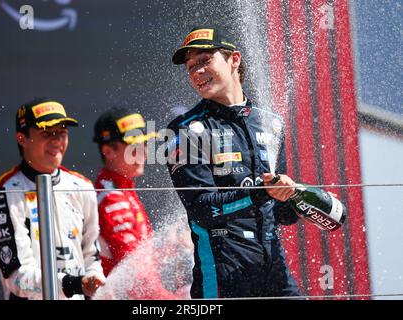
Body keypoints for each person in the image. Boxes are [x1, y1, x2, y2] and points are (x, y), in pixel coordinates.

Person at [166, 26, 302, 298]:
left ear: (234, 60)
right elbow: (201, 210)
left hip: (273, 267)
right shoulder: (183, 131)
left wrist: (299, 200)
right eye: (191, 67)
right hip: (223, 270)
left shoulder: (271, 123)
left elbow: (280, 214)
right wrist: (262, 193)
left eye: (205, 61)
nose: (197, 72)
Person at [0, 97, 105, 300]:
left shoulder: (81, 186)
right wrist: (73, 284)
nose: (56, 141)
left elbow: (92, 255)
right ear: (22, 138)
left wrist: (93, 278)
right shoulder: (2, 193)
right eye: (47, 133)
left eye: (62, 133)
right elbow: (17, 278)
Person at [92, 109, 175, 299]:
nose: (145, 152)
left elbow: (140, 258)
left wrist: (170, 247)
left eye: (145, 143)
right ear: (108, 151)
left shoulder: (122, 189)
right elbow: (137, 276)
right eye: (134, 146)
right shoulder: (112, 199)